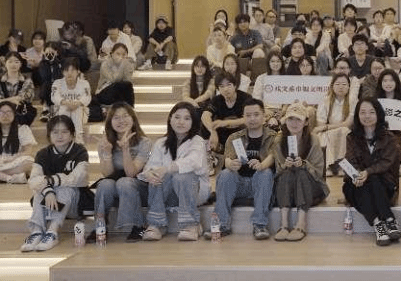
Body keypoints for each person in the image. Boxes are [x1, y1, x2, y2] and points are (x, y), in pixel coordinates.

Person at [139, 102, 210, 241]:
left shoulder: (198, 141)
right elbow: (150, 166)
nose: (181, 122)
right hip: (168, 192)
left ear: (193, 122)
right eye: (177, 117)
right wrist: (149, 174)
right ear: (170, 119)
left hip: (194, 191)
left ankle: (191, 224)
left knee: (181, 176)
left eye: (186, 118)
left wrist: (167, 168)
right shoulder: (160, 142)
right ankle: (157, 224)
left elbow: (193, 162)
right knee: (156, 177)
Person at [209, 98, 277, 240]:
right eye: (248, 115)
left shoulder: (273, 137)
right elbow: (227, 159)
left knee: (265, 173)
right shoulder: (234, 137)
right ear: (243, 117)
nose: (252, 119)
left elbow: (272, 156)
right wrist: (231, 164)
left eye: (256, 114)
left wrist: (261, 165)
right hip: (238, 184)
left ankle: (260, 225)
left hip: (262, 185)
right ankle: (220, 225)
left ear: (264, 116)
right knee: (226, 174)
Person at [20, 115, 89, 252]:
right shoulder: (42, 154)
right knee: (40, 189)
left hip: (75, 204)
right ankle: (37, 231)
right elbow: (34, 180)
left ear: (72, 134)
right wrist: (48, 191)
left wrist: (51, 181)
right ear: (49, 135)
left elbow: (77, 178)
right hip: (48, 202)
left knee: (64, 188)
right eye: (55, 132)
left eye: (64, 132)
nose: (59, 136)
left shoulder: (80, 151)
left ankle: (52, 232)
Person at [342, 98, 401, 246]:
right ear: (357, 115)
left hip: (384, 185)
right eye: (362, 112)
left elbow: (386, 163)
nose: (367, 116)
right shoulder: (351, 137)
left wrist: (367, 172)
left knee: (373, 179)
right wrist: (356, 175)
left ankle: (383, 221)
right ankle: (382, 222)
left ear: (378, 114)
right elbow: (350, 161)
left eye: (371, 112)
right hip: (358, 184)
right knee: (357, 186)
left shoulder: (389, 138)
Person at [93, 103, 151, 242]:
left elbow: (131, 173)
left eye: (125, 116)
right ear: (110, 122)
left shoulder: (145, 142)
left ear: (133, 119)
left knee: (125, 182)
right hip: (117, 187)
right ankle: (100, 226)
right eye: (116, 117)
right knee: (105, 184)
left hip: (140, 188)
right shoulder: (105, 143)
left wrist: (125, 149)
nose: (121, 121)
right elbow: (108, 174)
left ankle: (138, 226)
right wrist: (107, 152)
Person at [273, 101, 329, 241]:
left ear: (306, 122)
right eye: (290, 119)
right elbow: (276, 171)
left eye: (298, 119)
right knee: (286, 173)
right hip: (288, 189)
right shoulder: (279, 140)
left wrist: (304, 164)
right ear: (285, 121)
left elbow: (318, 172)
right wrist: (285, 165)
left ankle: (301, 224)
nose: (294, 123)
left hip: (311, 188)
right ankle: (284, 224)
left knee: (302, 172)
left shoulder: (313, 140)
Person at [202, 72, 251, 158]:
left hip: (241, 133)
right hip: (223, 134)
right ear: (218, 89)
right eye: (222, 86)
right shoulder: (217, 100)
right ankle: (212, 153)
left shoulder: (245, 98)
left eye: (229, 85)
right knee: (205, 125)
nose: (226, 89)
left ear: (235, 86)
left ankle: (238, 156)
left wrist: (225, 122)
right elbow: (205, 115)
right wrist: (212, 131)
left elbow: (249, 118)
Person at [315, 74, 355, 176]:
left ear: (349, 86)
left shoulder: (352, 100)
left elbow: (348, 124)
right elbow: (320, 124)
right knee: (325, 135)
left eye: (344, 84)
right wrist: (327, 128)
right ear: (332, 86)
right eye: (337, 84)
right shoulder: (325, 100)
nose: (341, 87)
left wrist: (328, 126)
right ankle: (328, 166)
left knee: (344, 131)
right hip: (327, 131)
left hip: (345, 130)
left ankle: (342, 166)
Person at [51, 58, 91, 144]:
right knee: (64, 107)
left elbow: (87, 98)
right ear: (63, 72)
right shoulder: (57, 83)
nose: (69, 73)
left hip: (81, 112)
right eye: (66, 70)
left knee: (77, 109)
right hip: (60, 111)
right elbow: (54, 97)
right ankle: (63, 134)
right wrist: (66, 103)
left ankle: (78, 135)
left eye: (72, 70)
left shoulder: (84, 83)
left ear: (78, 71)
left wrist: (77, 103)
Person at [0, 100, 36, 183]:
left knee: (29, 163)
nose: (5, 115)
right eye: (2, 112)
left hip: (16, 160)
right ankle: (10, 178)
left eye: (9, 112)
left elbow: (28, 151)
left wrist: (12, 158)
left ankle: (3, 176)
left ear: (14, 114)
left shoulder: (23, 129)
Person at [1, 52, 36, 125]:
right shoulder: (1, 80)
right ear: (5, 63)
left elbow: (23, 98)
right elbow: (16, 99)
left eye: (16, 62)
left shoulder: (27, 80)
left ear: (20, 64)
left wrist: (4, 100)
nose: (13, 64)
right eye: (10, 62)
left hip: (21, 112)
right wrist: (13, 99)